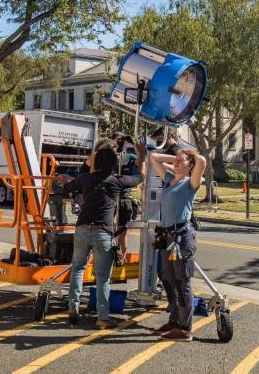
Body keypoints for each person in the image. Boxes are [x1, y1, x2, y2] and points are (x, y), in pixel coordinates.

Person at [63, 143, 145, 328]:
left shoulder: (85, 179)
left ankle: (73, 307)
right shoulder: (117, 181)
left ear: (96, 162)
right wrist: (142, 157)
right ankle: (102, 317)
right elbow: (140, 178)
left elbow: (67, 187)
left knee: (77, 268)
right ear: (114, 163)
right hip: (103, 232)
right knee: (102, 277)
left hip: (82, 228)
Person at [147, 148, 206, 341]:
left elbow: (203, 161)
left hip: (181, 236)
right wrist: (177, 158)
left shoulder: (191, 183)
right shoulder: (169, 178)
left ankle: (185, 327)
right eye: (176, 161)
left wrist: (190, 158)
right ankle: (174, 321)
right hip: (166, 236)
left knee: (182, 281)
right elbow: (153, 157)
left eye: (182, 161)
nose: (177, 163)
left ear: (190, 166)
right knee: (168, 278)